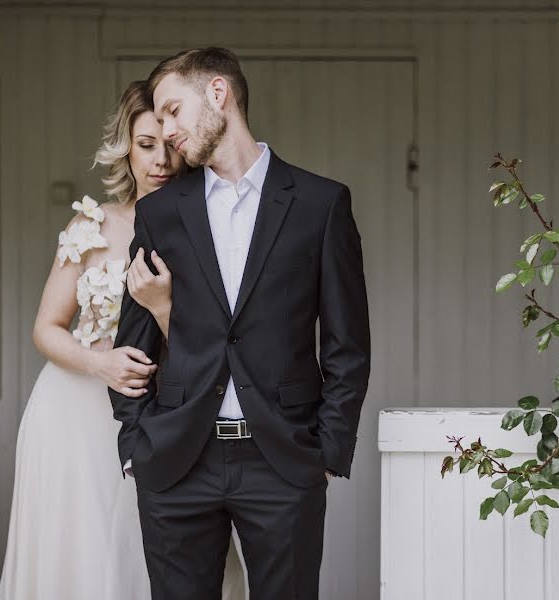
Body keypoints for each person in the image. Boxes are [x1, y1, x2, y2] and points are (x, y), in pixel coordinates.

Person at [110, 47, 371, 599]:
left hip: (283, 463)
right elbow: (131, 348)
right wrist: (136, 444)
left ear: (218, 94)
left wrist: (327, 451)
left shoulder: (321, 205)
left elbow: (348, 346)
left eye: (174, 111)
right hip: (178, 463)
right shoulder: (159, 214)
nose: (169, 131)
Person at [0, 80, 246, 600]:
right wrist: (101, 364)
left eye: (169, 145)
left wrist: (163, 308)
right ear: (126, 149)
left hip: (166, 413)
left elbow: (219, 337)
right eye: (145, 145)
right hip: (72, 416)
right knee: (81, 556)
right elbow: (45, 328)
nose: (159, 160)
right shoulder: (93, 225)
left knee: (162, 554)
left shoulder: (211, 225)